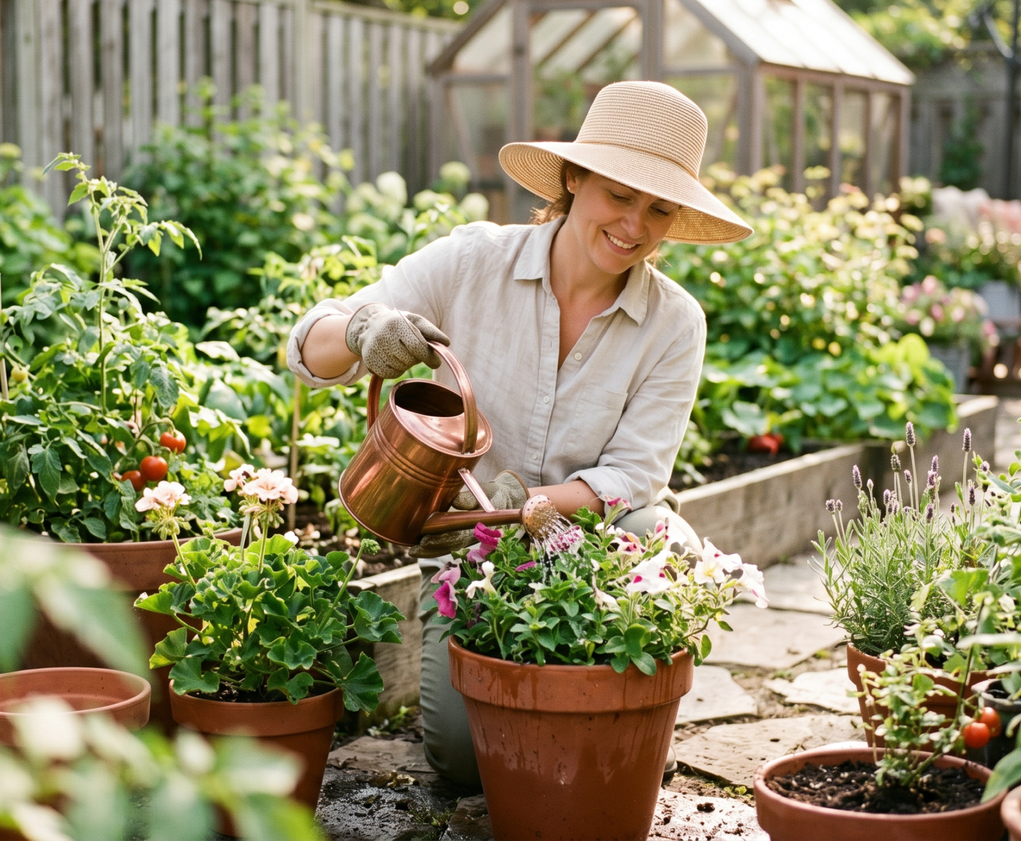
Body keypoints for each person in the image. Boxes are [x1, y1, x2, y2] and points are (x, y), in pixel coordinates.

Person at [287, 80, 752, 789]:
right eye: (619, 195)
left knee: (668, 540)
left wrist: (524, 504)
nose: (634, 225)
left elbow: (632, 476)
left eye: (659, 208)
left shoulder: (674, 322)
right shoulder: (473, 263)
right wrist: (360, 330)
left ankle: (626, 721)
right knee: (462, 759)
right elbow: (305, 349)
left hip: (593, 540)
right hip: (467, 551)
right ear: (574, 178)